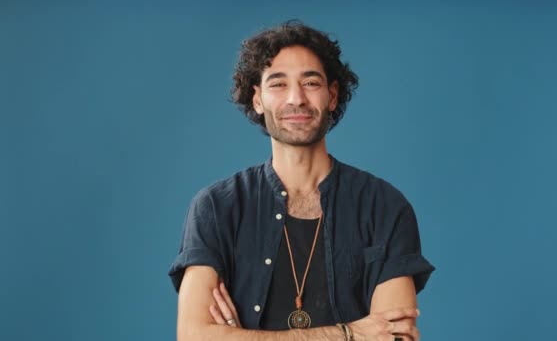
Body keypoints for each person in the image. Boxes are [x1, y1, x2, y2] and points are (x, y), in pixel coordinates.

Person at [168, 20, 435, 341]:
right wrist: (348, 333)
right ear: (257, 98)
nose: (296, 98)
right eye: (278, 84)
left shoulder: (384, 206)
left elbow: (394, 337)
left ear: (332, 95)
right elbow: (194, 336)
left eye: (310, 83)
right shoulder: (217, 207)